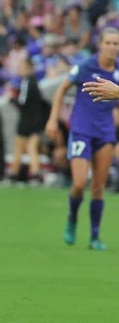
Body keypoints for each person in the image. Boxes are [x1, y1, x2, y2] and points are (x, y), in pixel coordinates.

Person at [45, 27, 119, 250]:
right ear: (100, 44)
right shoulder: (86, 66)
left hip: (105, 131)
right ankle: (72, 217)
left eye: (116, 44)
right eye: (109, 43)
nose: (112, 48)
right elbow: (62, 89)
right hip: (81, 128)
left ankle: (95, 237)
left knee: (98, 186)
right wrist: (52, 118)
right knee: (78, 183)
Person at [6, 58, 49, 185]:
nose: (20, 70)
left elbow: (22, 103)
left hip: (27, 121)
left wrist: (11, 99)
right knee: (31, 148)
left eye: (22, 67)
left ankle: (14, 173)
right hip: (35, 121)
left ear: (29, 69)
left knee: (20, 147)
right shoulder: (34, 82)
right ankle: (35, 174)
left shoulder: (27, 82)